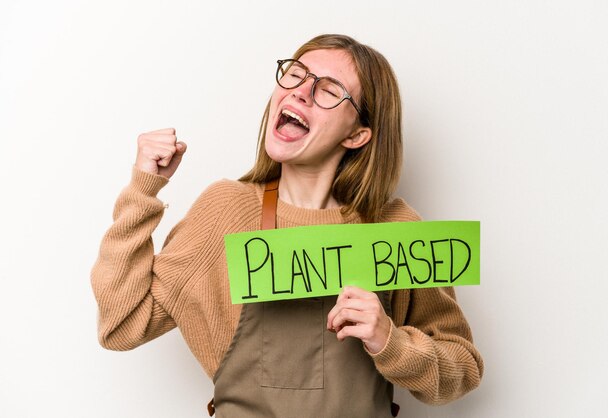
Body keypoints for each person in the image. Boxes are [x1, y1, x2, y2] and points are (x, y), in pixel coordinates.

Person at [91, 34, 484, 417]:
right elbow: (122, 324)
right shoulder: (226, 212)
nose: (300, 91)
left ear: (358, 134)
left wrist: (390, 340)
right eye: (296, 74)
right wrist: (143, 189)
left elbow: (461, 370)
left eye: (329, 91)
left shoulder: (396, 231)